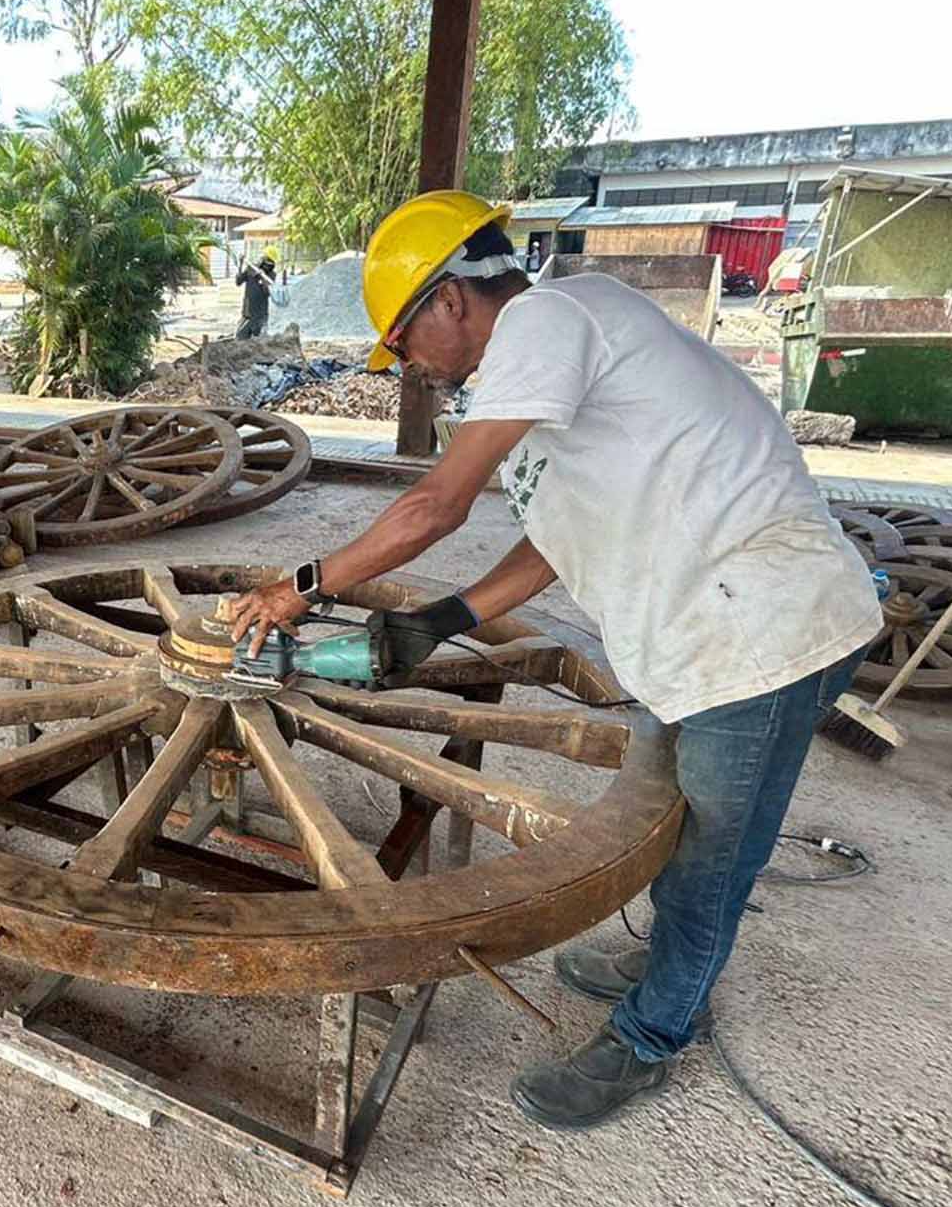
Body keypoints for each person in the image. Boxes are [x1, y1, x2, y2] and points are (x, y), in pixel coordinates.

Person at [228, 191, 883, 1131]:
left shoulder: (548, 318)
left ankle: (657, 1030)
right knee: (678, 817)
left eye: (406, 338)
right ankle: (668, 958)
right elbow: (553, 543)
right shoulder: (547, 368)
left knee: (709, 859)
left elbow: (434, 507)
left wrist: (302, 585)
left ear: (453, 299)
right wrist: (445, 617)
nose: (409, 364)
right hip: (697, 629)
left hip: (769, 634)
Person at [234, 254, 278, 340]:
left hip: (261, 313)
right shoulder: (250, 270)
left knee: (259, 339)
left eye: (269, 267)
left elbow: (267, 292)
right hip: (248, 312)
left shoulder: (271, 275)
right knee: (240, 337)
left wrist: (262, 277)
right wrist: (240, 264)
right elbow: (238, 282)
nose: (267, 268)